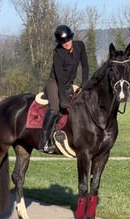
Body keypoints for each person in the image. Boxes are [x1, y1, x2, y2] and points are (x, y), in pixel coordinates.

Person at [38, 24, 89, 152]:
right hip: (55, 83)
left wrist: (85, 82)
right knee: (56, 108)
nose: (66, 43)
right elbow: (60, 80)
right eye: (63, 42)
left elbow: (85, 66)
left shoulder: (80, 46)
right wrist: (63, 97)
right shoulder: (58, 54)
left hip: (69, 82)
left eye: (68, 40)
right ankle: (44, 141)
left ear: (71, 37)